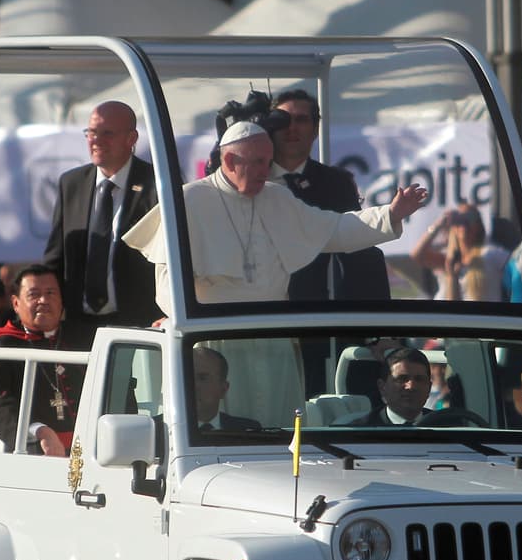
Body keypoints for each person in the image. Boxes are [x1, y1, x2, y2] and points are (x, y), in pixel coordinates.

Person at [123, 120, 426, 425]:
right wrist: (179, 316)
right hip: (214, 341)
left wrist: (390, 214)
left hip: (271, 338)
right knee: (222, 430)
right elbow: (166, 281)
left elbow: (333, 230)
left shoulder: (277, 198)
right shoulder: (189, 201)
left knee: (278, 426)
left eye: (267, 162)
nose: (264, 171)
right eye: (255, 162)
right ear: (229, 160)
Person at [44, 100, 159, 328]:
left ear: (131, 139)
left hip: (139, 326)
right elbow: (55, 258)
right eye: (92, 133)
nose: (96, 141)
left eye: (107, 133)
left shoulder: (157, 185)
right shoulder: (72, 184)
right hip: (78, 327)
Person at [272, 89, 390, 303]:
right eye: (283, 120)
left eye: (301, 120)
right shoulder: (250, 179)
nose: (291, 128)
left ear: (315, 129)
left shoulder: (335, 183)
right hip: (252, 311)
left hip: (313, 315)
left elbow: (357, 251)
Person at [0, 266, 94, 456]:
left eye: (50, 293)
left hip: (93, 451)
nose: (44, 301)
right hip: (35, 452)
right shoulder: (4, 346)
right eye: (34, 294)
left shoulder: (85, 338)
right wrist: (35, 431)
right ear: (16, 303)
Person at [410, 203, 508, 301]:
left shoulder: (490, 254)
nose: (464, 224)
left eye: (470, 218)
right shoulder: (447, 257)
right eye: (459, 219)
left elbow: (516, 266)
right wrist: (439, 225)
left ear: (479, 226)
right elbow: (417, 255)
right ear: (453, 226)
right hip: (443, 315)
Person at [351, 347, 434, 426]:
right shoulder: (359, 431)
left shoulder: (443, 425)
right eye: (402, 379)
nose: (411, 386)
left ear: (429, 388)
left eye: (419, 379)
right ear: (382, 387)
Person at [191, 346, 261, 432]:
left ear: (223, 389)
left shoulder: (249, 429)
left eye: (202, 378)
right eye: (187, 377)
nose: (193, 385)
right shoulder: (171, 432)